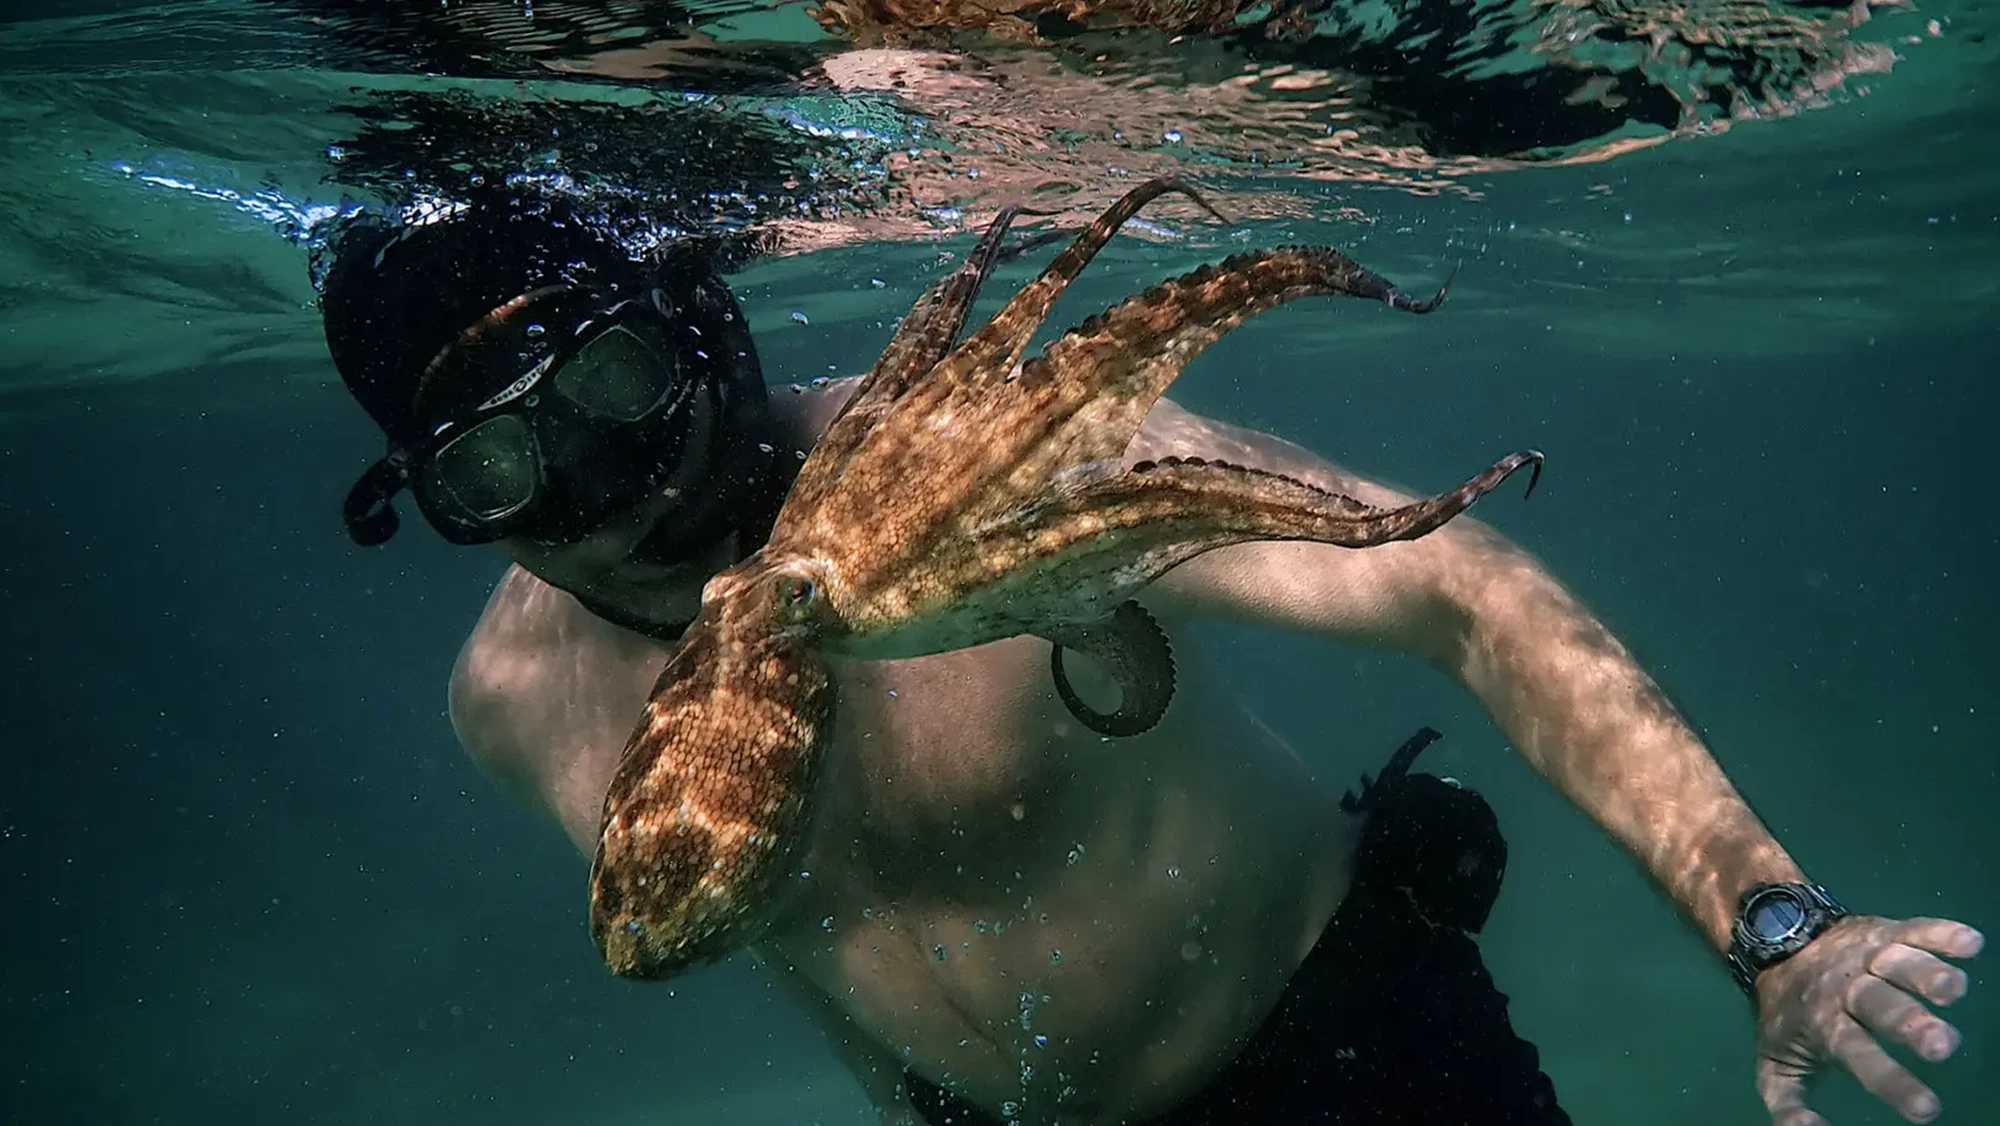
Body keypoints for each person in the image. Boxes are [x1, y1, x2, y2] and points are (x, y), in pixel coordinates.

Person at [318, 192, 1980, 1126]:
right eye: (493, 469)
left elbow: (1461, 587)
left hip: (1350, 1061)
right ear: (437, 501)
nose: (604, 487)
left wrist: (1776, 925)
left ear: (694, 324)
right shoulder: (512, 704)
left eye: (610, 381)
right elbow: (797, 943)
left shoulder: (1000, 464)